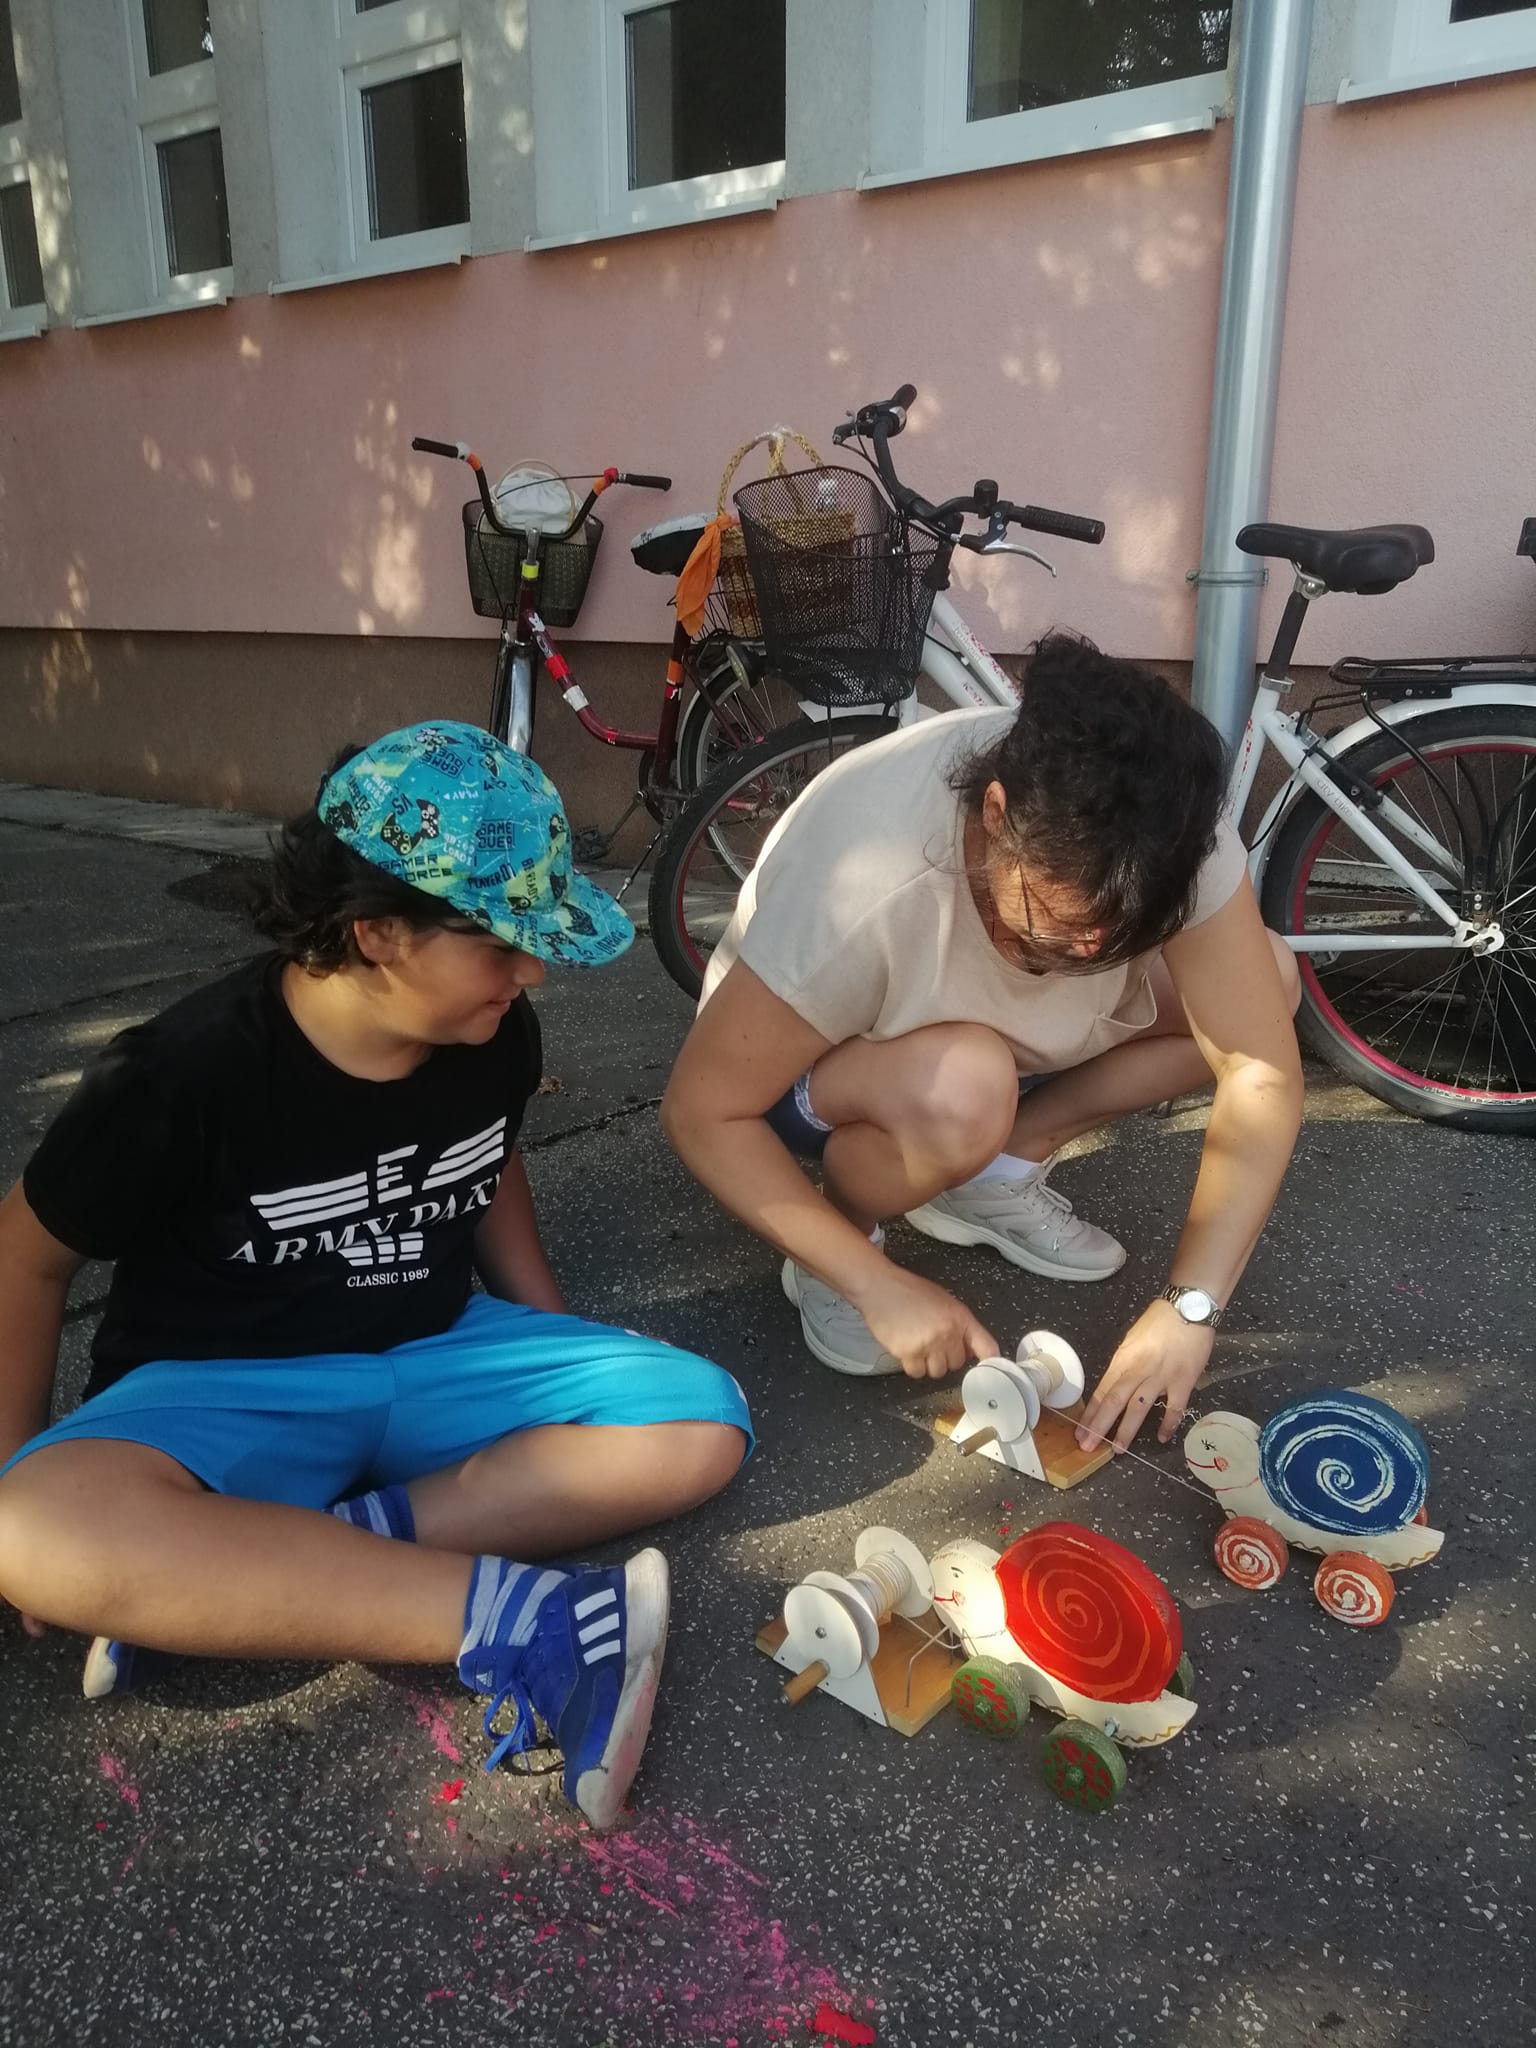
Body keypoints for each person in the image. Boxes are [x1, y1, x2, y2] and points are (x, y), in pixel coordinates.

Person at [0, 723, 751, 1832]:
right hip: (227, 1384)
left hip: (435, 1345)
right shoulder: (177, 1078)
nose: (532, 972)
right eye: (500, 942)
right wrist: (16, 1456)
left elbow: (486, 1156)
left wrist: (549, 1329)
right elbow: (25, 1257)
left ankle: (256, 1567)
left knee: (701, 1421)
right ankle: (539, 1622)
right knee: (28, 1529)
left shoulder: (493, 1030)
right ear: (377, 933)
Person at [661, 633, 1302, 1452]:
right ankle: (842, 1240)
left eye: (1124, 937)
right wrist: (874, 1283)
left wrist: (1191, 1308)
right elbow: (703, 1112)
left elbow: (1258, 1069)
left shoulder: (1169, 829)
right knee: (966, 1085)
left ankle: (995, 1168)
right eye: (1060, 927)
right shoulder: (867, 884)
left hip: (980, 1048)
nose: (1091, 955)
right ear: (996, 816)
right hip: (821, 1062)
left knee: (1270, 982)